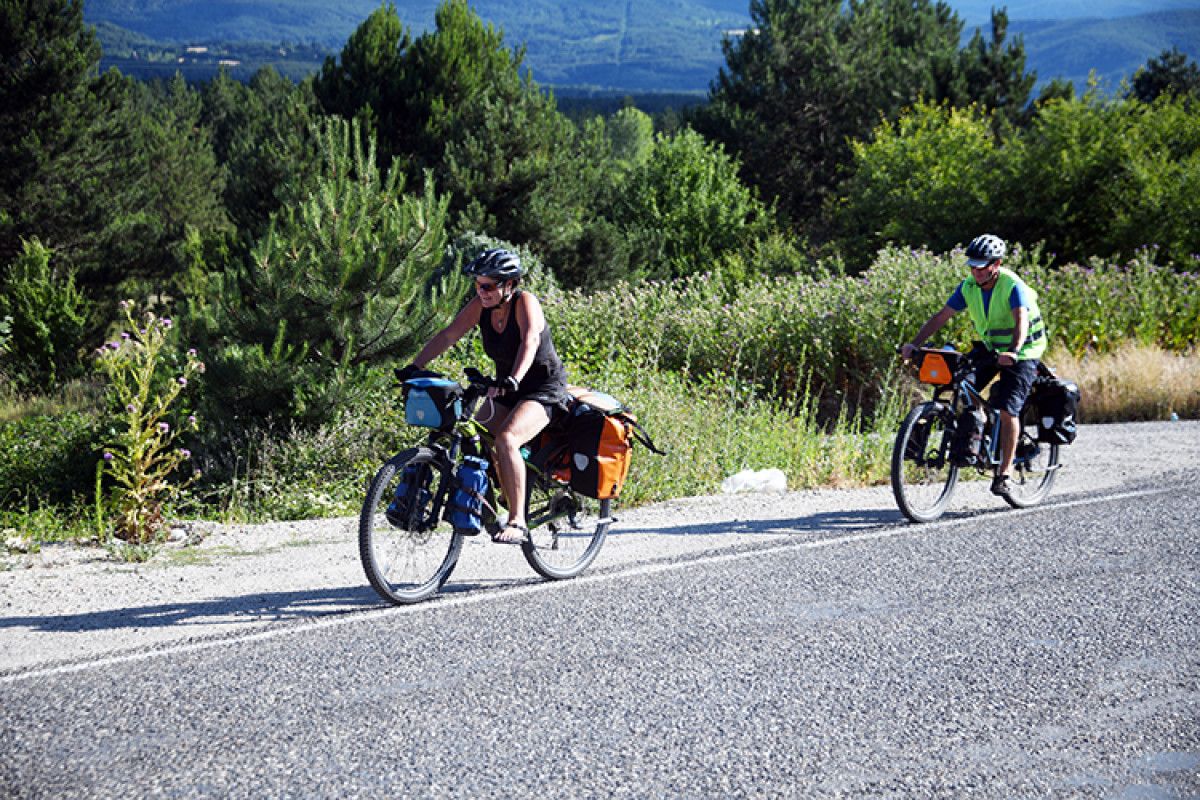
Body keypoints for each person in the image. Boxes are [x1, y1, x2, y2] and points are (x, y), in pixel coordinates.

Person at [398, 248, 570, 544]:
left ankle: (518, 521)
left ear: (509, 284)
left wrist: (514, 378)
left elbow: (529, 341)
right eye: (478, 285)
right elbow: (449, 335)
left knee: (506, 439)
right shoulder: (482, 306)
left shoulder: (525, 302)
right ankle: (507, 490)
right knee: (475, 437)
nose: (482, 291)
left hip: (543, 390)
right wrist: (415, 366)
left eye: (488, 286)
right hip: (506, 387)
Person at [900, 234, 1048, 498]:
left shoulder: (1012, 286)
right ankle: (977, 436)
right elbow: (941, 317)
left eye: (982, 266)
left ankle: (1004, 474)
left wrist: (1014, 351)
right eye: (973, 265)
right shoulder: (968, 286)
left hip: (1023, 351)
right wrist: (914, 344)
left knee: (1007, 409)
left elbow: (1021, 321)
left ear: (996, 264)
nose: (976, 271)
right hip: (991, 348)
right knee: (960, 386)